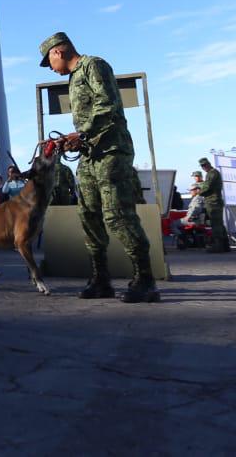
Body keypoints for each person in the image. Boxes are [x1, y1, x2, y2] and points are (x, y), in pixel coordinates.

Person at [40, 32, 158, 303]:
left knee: (117, 215)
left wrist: (81, 134)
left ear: (57, 52)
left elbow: (108, 104)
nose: (51, 68)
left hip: (111, 151)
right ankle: (101, 279)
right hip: (90, 155)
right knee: (89, 214)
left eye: (49, 62)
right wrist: (73, 141)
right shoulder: (73, 78)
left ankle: (145, 280)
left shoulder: (94, 65)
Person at [197, 157, 229, 252]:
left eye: (205, 165)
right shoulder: (212, 173)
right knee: (219, 223)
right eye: (202, 166)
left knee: (216, 224)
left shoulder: (212, 173)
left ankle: (218, 246)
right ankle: (225, 246)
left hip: (213, 202)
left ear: (209, 164)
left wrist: (199, 192)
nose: (204, 167)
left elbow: (207, 187)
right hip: (214, 201)